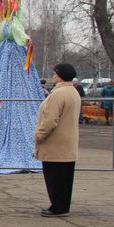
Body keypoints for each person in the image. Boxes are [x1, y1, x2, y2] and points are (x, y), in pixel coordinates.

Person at [34, 63, 81, 217]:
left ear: (60, 75)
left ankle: (57, 207)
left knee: (55, 178)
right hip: (67, 143)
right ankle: (62, 205)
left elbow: (49, 121)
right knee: (65, 179)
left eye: (55, 73)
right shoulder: (73, 91)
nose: (52, 76)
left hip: (55, 143)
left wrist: (38, 136)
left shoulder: (58, 94)